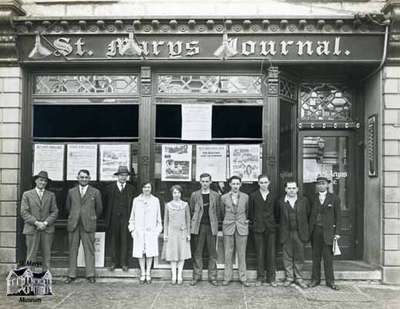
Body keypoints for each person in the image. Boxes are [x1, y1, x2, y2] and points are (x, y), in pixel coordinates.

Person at [64, 169, 103, 284]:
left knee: (89, 250)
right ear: (77, 178)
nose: (84, 179)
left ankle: (90, 274)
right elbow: (68, 207)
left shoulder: (95, 192)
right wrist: (74, 216)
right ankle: (71, 274)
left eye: (86, 177)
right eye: (82, 177)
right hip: (74, 224)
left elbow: (99, 209)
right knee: (72, 250)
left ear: (89, 178)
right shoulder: (71, 191)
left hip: (88, 224)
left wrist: (91, 217)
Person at [20, 171, 58, 272]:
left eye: (45, 181)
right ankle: (29, 276)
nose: (43, 182)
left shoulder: (51, 195)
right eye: (41, 180)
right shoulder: (27, 194)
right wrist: (36, 223)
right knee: (31, 254)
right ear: (36, 181)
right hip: (32, 228)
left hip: (47, 229)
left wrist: (45, 223)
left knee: (47, 254)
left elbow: (55, 211)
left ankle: (46, 276)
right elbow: (24, 212)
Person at [309, 176, 341, 290]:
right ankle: (315, 280)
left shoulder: (334, 198)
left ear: (327, 185)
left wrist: (337, 232)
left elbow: (338, 216)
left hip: (328, 232)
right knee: (315, 257)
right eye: (318, 184)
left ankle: (330, 281)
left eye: (323, 183)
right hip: (316, 231)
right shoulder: (313, 198)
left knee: (328, 258)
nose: (320, 185)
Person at [277, 180, 310, 289]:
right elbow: (277, 216)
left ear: (297, 189)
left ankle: (299, 278)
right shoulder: (281, 202)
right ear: (285, 189)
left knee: (299, 256)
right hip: (286, 233)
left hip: (299, 233)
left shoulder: (304, 201)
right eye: (289, 188)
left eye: (293, 188)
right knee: (287, 256)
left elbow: (308, 216)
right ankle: (289, 277)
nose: (291, 190)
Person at [189, 173, 221, 286]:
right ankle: (196, 276)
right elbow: (192, 210)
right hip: (199, 226)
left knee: (213, 252)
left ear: (211, 182)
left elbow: (218, 211)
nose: (205, 183)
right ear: (200, 182)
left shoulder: (216, 195)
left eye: (207, 181)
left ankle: (213, 277)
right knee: (198, 252)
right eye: (203, 181)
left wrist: (215, 223)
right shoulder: (195, 195)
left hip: (211, 226)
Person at [128, 181, 162, 284]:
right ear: (142, 189)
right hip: (139, 231)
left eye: (149, 187)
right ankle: (142, 272)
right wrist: (133, 230)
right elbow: (132, 217)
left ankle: (148, 273)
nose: (147, 189)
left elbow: (158, 218)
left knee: (149, 253)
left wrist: (156, 232)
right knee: (140, 253)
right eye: (145, 187)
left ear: (151, 189)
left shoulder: (155, 200)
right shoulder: (136, 200)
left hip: (151, 231)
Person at [105, 166, 136, 272]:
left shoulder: (131, 189)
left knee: (125, 240)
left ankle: (124, 263)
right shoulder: (110, 188)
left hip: (126, 218)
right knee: (114, 240)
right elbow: (106, 205)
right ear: (117, 176)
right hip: (113, 218)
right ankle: (114, 262)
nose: (123, 177)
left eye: (125, 175)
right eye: (121, 175)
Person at [248, 174, 278, 286]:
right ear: (258, 183)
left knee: (271, 253)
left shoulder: (274, 196)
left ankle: (272, 278)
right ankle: (260, 277)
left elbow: (277, 212)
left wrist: (273, 223)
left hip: (271, 228)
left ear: (269, 183)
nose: (263, 184)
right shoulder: (253, 196)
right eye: (261, 182)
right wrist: (256, 222)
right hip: (258, 227)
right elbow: (251, 212)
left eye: (265, 182)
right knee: (259, 253)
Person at [221, 176, 250, 287]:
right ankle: (227, 277)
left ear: (240, 185)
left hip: (241, 227)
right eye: (233, 184)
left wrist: (243, 221)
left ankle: (243, 278)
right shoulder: (223, 198)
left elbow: (248, 211)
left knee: (242, 254)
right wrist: (227, 220)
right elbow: (221, 212)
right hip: (228, 226)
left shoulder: (246, 197)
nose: (235, 186)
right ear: (230, 185)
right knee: (228, 253)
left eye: (237, 184)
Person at [162, 185, 191, 285]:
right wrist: (165, 234)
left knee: (182, 254)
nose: (176, 195)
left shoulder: (185, 205)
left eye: (178, 192)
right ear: (172, 194)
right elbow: (165, 221)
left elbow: (188, 220)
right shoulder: (168, 205)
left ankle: (180, 275)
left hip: (182, 232)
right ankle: (174, 275)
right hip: (171, 233)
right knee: (173, 255)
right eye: (174, 193)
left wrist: (188, 233)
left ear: (181, 194)